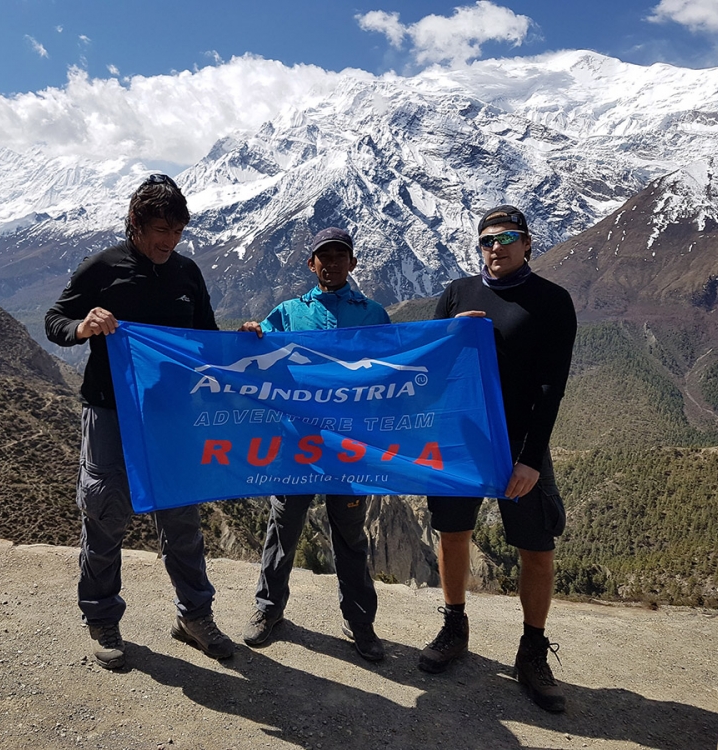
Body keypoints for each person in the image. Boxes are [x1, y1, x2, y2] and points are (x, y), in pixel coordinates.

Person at [44, 173, 234, 670]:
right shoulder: (103, 268)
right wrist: (82, 327)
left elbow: (207, 339)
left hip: (171, 415)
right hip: (110, 411)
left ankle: (195, 616)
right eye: (160, 230)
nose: (169, 242)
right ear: (135, 223)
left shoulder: (187, 273)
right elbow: (55, 320)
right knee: (105, 514)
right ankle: (102, 618)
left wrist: (244, 340)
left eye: (178, 232)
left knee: (182, 518)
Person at [420, 205, 577, 712]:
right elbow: (425, 362)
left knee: (536, 547)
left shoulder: (552, 301)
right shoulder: (457, 293)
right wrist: (449, 334)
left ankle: (532, 650)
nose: (496, 247)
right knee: (453, 533)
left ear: (527, 243)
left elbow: (551, 387)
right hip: (460, 437)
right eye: (487, 240)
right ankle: (454, 626)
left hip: (519, 442)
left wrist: (530, 458)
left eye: (508, 238)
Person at [237, 227, 391, 662]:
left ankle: (360, 622)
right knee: (283, 529)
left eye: (341, 255)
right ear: (312, 264)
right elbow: (258, 353)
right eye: (325, 256)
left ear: (352, 263)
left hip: (349, 447)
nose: (333, 263)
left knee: (350, 537)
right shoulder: (287, 313)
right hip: (296, 444)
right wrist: (250, 332)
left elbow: (394, 368)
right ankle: (269, 610)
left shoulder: (373, 314)